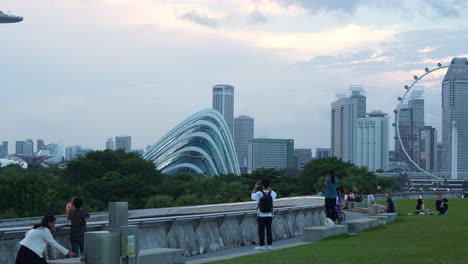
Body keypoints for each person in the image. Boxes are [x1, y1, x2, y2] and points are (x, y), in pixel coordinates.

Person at [251, 179, 277, 251]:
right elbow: (274, 195)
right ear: (269, 185)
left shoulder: (259, 193)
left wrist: (255, 187)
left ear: (262, 185)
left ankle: (261, 245)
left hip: (261, 215)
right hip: (269, 215)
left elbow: (252, 196)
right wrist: (269, 188)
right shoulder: (273, 193)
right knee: (269, 230)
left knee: (261, 231)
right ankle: (269, 245)